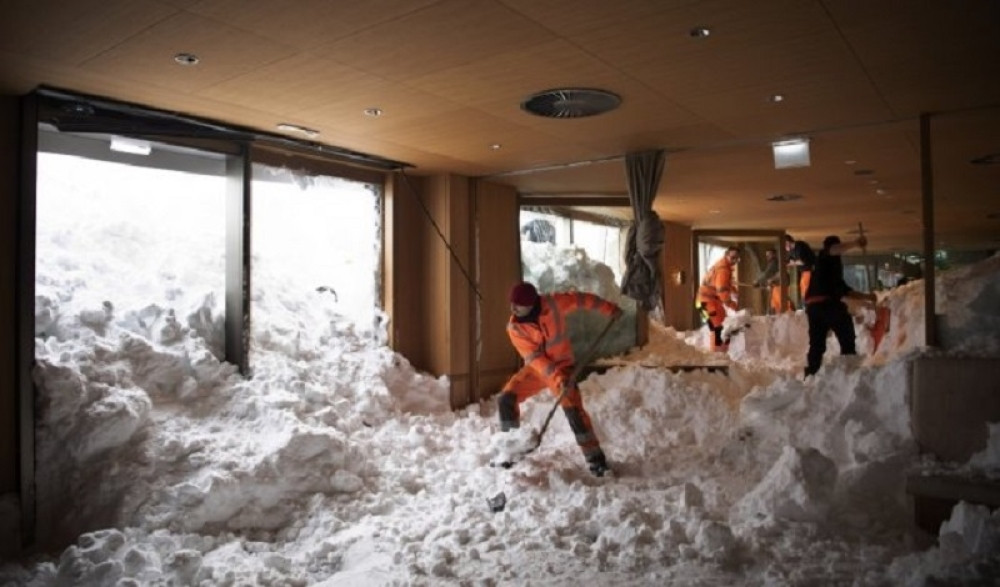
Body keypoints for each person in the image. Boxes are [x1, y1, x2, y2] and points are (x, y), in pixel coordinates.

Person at [498, 281, 622, 476]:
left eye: (518, 304)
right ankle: (510, 450)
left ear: (531, 304)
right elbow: (536, 359)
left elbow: (582, 299)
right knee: (506, 398)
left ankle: (595, 459)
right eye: (512, 303)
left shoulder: (554, 303)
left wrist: (609, 308)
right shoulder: (515, 328)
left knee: (573, 409)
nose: (513, 308)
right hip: (537, 370)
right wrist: (556, 379)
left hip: (563, 367)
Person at [802, 235, 878, 377]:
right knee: (845, 332)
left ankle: (811, 372)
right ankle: (848, 364)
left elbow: (846, 291)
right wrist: (855, 243)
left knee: (817, 344)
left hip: (814, 308)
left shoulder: (833, 272)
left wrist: (868, 297)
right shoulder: (823, 258)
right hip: (826, 305)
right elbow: (833, 249)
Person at [696, 246, 740, 352]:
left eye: (737, 258)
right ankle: (716, 356)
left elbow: (725, 284)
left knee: (722, 325)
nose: (735, 260)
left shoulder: (724, 266)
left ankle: (721, 352)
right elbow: (721, 290)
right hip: (706, 303)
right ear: (726, 255)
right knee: (717, 328)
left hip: (706, 303)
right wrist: (732, 305)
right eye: (733, 257)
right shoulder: (723, 270)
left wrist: (734, 291)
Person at [754, 248, 793, 314]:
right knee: (776, 304)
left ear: (774, 255)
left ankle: (789, 315)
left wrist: (757, 281)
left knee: (781, 302)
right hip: (777, 285)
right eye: (766, 255)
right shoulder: (772, 263)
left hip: (780, 285)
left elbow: (767, 274)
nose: (767, 257)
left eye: (769, 255)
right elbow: (769, 276)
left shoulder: (774, 262)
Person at [785, 234, 816, 307]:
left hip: (809, 270)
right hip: (804, 271)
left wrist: (793, 263)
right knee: (803, 289)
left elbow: (802, 261)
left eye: (784, 245)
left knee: (806, 290)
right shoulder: (791, 250)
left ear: (787, 242)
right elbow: (788, 260)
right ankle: (805, 306)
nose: (785, 248)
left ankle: (807, 306)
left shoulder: (800, 246)